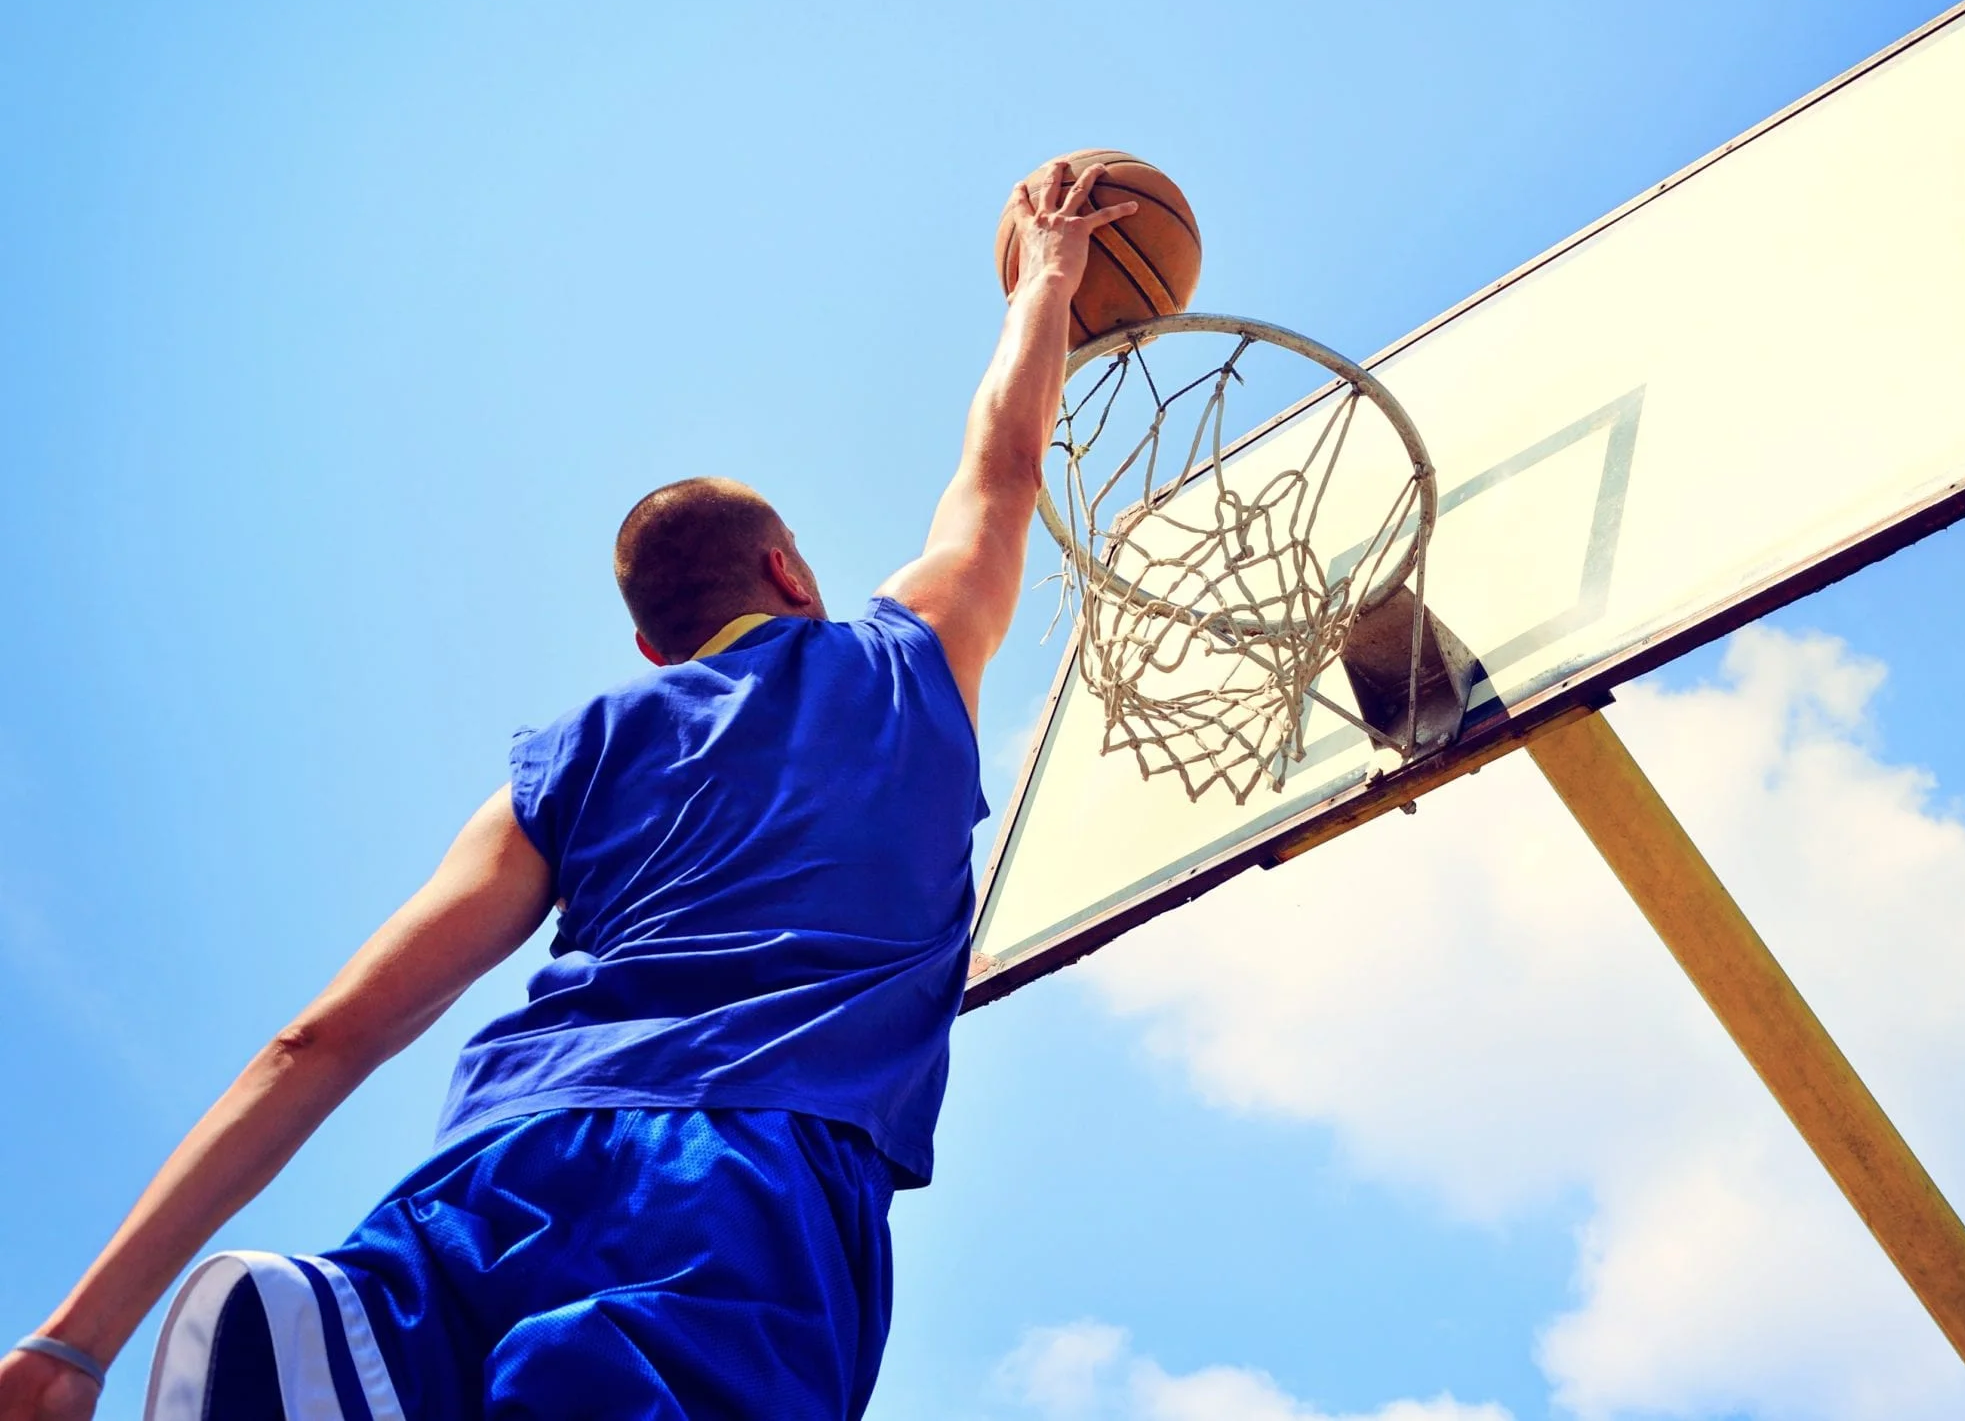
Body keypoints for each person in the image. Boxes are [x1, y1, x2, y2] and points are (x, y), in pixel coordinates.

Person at [0, 159, 1141, 1421]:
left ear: (654, 644)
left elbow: (320, 1035)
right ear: (789, 570)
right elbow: (1004, 466)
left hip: (501, 1160)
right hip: (746, 1164)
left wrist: (72, 1341)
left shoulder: (568, 757)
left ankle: (363, 1331)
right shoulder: (899, 657)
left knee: (419, 1345)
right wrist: (1046, 279)